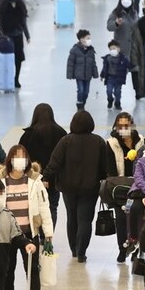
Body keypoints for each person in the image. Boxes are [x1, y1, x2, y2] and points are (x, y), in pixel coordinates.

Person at [0, 145, 53, 290]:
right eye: (16, 157)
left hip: (29, 232)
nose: (19, 161)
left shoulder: (35, 181)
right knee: (7, 268)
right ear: (10, 160)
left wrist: (48, 233)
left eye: (23, 157)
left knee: (32, 268)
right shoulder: (0, 181)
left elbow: (44, 206)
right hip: (7, 234)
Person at [43, 111, 107, 263]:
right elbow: (105, 166)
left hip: (68, 188)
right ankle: (81, 252)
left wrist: (46, 177)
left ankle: (73, 249)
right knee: (85, 220)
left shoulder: (66, 141)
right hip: (90, 188)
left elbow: (55, 162)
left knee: (72, 218)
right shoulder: (98, 141)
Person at [105, 112, 145, 262]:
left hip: (138, 187)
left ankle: (137, 248)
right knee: (121, 218)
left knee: (138, 218)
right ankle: (122, 249)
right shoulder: (111, 143)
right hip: (120, 188)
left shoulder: (141, 141)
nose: (123, 129)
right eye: (120, 126)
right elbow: (110, 169)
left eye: (126, 125)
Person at [19, 104, 67, 230]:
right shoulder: (61, 133)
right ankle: (48, 235)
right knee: (52, 207)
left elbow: (20, 158)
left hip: (33, 180)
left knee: (34, 207)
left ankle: (36, 233)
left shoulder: (27, 135)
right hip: (54, 179)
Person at [0, 0, 31, 88]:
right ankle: (9, 78)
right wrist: (1, 35)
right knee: (8, 58)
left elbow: (24, 23)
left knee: (18, 58)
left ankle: (16, 79)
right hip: (7, 36)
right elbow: (1, 23)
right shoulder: (3, 7)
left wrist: (27, 35)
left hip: (18, 35)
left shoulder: (21, 7)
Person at [107, 0, 140, 95]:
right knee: (120, 73)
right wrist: (116, 23)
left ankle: (138, 92)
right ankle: (117, 93)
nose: (126, 0)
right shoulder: (115, 13)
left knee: (136, 70)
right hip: (121, 47)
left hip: (133, 48)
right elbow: (109, 27)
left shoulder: (134, 12)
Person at [66, 29, 99, 111]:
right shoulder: (74, 50)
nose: (89, 40)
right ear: (81, 39)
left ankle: (83, 102)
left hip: (88, 75)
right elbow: (70, 63)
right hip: (79, 75)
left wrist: (95, 73)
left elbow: (93, 63)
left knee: (86, 92)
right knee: (80, 90)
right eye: (88, 38)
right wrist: (69, 75)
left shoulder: (91, 51)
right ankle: (79, 104)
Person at [100, 40, 134, 110]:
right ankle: (110, 100)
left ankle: (117, 103)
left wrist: (135, 65)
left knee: (117, 92)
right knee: (109, 91)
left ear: (118, 49)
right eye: (111, 49)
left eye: (114, 48)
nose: (112, 50)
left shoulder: (123, 59)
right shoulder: (108, 58)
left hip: (119, 78)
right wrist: (102, 75)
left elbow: (129, 65)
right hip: (110, 78)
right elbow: (105, 68)